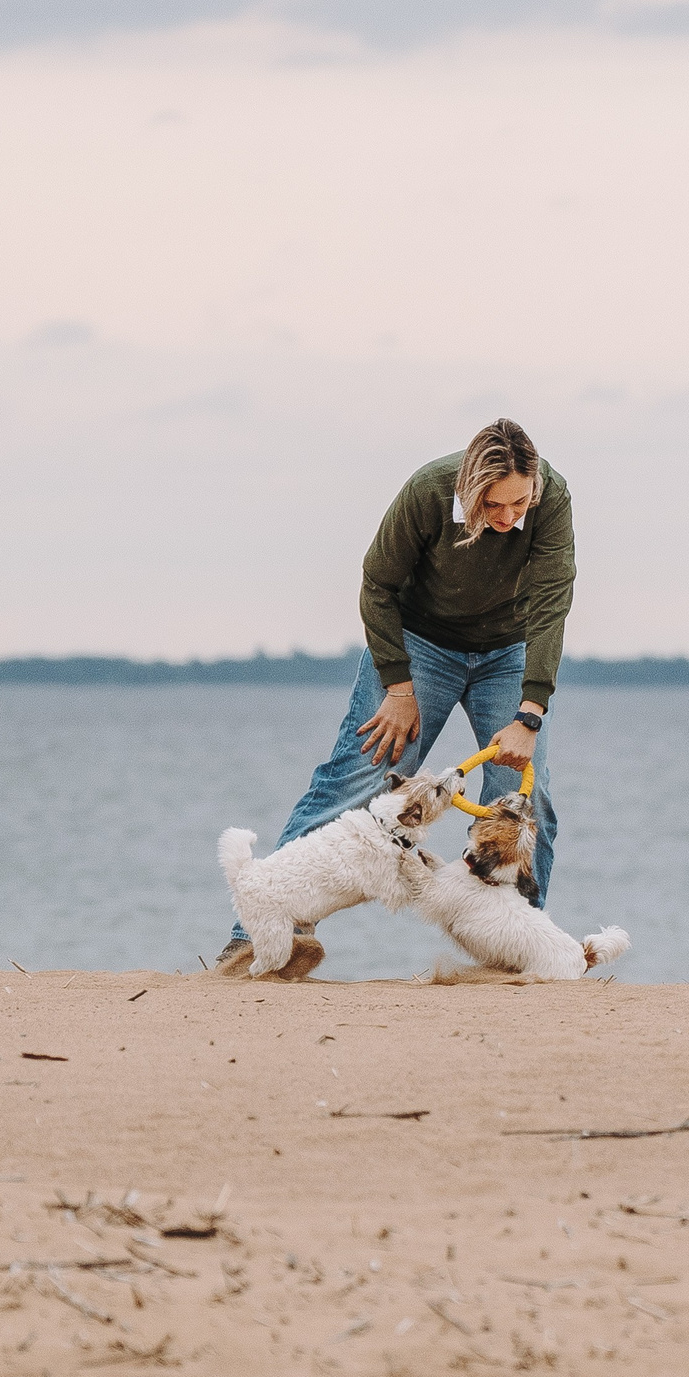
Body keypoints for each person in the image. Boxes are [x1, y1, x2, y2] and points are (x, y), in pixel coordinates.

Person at [215, 418, 576, 977]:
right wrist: (399, 687)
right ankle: (256, 938)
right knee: (355, 779)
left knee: (529, 803)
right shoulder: (428, 491)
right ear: (468, 487)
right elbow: (377, 584)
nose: (509, 518)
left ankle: (521, 955)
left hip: (508, 649)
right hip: (419, 645)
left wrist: (529, 714)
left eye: (519, 503)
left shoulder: (550, 498)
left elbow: (552, 602)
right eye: (493, 505)